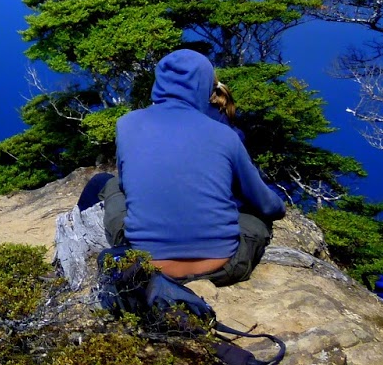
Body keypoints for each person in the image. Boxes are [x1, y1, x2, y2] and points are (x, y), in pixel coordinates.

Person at [78, 49, 285, 286]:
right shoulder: (226, 135)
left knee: (112, 183)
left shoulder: (126, 124)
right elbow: (269, 207)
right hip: (223, 268)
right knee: (257, 218)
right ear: (205, 86)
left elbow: (126, 185)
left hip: (147, 266)